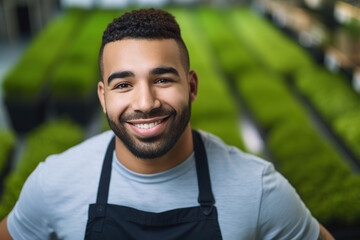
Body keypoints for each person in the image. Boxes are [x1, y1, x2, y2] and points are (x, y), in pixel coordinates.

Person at [0, 8, 334, 240]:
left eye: (162, 79)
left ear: (191, 87)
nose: (145, 103)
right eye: (123, 85)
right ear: (103, 97)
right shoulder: (55, 182)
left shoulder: (257, 188)